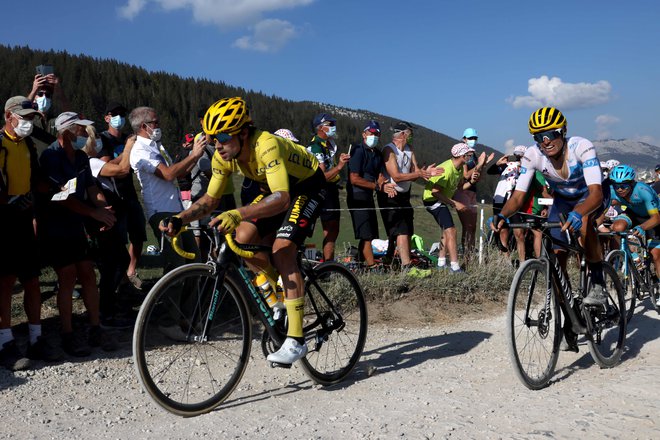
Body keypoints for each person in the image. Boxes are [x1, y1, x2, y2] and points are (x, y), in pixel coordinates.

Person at [161, 97, 327, 365]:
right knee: (242, 239)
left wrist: (238, 213)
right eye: (213, 138)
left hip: (307, 187)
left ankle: (296, 340)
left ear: (244, 133)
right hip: (274, 190)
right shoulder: (224, 156)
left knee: (282, 249)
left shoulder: (267, 145)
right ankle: (280, 293)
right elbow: (210, 200)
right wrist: (180, 219)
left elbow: (283, 198)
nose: (218, 145)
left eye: (224, 137)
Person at [490, 107, 610, 353]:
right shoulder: (533, 155)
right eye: (538, 137)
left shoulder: (581, 147)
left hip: (592, 197)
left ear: (563, 131)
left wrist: (580, 213)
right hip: (563, 202)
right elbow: (519, 195)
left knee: (586, 226)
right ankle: (571, 319)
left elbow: (596, 192)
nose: (545, 141)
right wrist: (502, 214)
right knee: (556, 263)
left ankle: (597, 282)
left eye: (550, 134)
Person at [38, 112, 118, 356]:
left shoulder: (82, 156)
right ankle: (68, 333)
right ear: (66, 131)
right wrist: (93, 214)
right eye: (80, 130)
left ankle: (95, 328)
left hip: (76, 225)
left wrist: (103, 207)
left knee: (88, 274)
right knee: (67, 276)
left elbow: (91, 187)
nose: (84, 134)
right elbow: (60, 198)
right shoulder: (51, 156)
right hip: (55, 224)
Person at [0, 97, 61, 370]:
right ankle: (6, 343)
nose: (28, 123)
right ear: (8, 116)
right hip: (3, 221)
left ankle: (36, 339)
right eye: (23, 117)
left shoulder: (25, 143)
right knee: (5, 282)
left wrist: (52, 185)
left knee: (32, 279)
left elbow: (35, 176)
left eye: (30, 118)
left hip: (24, 217)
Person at [128, 106, 204, 273]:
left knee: (194, 259)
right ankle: (171, 299)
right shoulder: (140, 150)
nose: (159, 125)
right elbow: (168, 174)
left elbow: (178, 173)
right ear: (143, 126)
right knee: (176, 263)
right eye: (155, 122)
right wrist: (193, 155)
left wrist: (197, 155)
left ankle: (193, 299)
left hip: (177, 211)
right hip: (160, 211)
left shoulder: (156, 146)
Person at [83, 126, 137, 328]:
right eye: (94, 138)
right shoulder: (91, 162)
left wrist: (123, 153)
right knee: (113, 263)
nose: (98, 142)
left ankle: (107, 308)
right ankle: (105, 311)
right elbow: (122, 169)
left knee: (115, 262)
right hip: (102, 220)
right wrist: (129, 147)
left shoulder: (93, 162)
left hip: (107, 217)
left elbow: (114, 163)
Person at [99, 102, 148, 291]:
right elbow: (105, 166)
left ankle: (130, 271)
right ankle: (118, 280)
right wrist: (127, 151)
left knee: (138, 236)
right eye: (115, 114)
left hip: (130, 194)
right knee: (119, 240)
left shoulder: (128, 139)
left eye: (122, 114)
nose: (119, 117)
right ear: (107, 118)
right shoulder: (103, 139)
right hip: (113, 196)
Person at [378, 121, 439, 268]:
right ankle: (406, 265)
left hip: (405, 194)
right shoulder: (389, 150)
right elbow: (396, 176)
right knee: (401, 230)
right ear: (403, 134)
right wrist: (417, 173)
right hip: (391, 194)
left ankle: (390, 256)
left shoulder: (410, 149)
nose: (412, 136)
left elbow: (415, 170)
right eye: (411, 133)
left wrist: (424, 173)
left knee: (406, 228)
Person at [346, 121, 396, 268]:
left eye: (377, 134)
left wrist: (384, 184)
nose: (374, 136)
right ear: (364, 134)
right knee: (366, 234)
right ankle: (371, 265)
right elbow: (354, 178)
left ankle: (361, 264)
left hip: (368, 197)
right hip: (357, 197)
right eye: (371, 133)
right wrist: (377, 187)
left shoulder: (377, 154)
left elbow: (380, 175)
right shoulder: (358, 151)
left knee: (370, 233)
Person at [608, 165, 660, 302]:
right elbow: (603, 210)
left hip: (653, 218)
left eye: (624, 186)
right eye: (616, 185)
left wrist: (643, 227)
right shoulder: (613, 191)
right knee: (617, 227)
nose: (619, 189)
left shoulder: (644, 191)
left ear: (631, 183)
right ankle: (634, 258)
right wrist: (595, 224)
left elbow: (656, 218)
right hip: (634, 214)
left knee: (655, 255)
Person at [422, 143, 474, 273]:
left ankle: (441, 263)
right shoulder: (447, 169)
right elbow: (435, 191)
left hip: (440, 200)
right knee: (451, 231)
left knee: (447, 231)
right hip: (432, 200)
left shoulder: (460, 168)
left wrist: (472, 181)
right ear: (461, 155)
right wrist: (454, 203)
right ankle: (455, 267)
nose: (471, 156)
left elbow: (459, 186)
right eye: (469, 154)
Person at [307, 113, 350, 261]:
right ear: (320, 127)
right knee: (329, 228)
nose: (334, 127)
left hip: (331, 190)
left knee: (333, 229)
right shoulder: (316, 146)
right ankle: (326, 264)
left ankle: (328, 263)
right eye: (330, 125)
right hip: (321, 191)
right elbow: (322, 176)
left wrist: (339, 162)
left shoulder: (328, 144)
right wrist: (339, 167)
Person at [453, 128, 495, 257]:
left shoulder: (473, 154)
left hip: (472, 191)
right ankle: (466, 256)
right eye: (471, 138)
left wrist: (484, 164)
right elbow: (465, 175)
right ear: (464, 138)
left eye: (475, 138)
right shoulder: (462, 152)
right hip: (463, 191)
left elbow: (478, 177)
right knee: (467, 226)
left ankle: (469, 256)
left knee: (473, 227)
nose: (473, 141)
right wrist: (480, 164)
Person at [487, 145, 527, 260]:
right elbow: (490, 171)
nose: (518, 157)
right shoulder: (508, 165)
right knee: (502, 230)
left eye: (521, 155)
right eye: (517, 155)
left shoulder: (528, 168)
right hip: (500, 200)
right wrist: (498, 164)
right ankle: (505, 260)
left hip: (515, 202)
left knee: (519, 233)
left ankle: (522, 261)